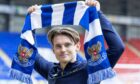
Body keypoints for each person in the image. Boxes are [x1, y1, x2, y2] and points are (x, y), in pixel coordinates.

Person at [28, 0, 125, 84]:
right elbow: (31, 54)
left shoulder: (90, 69)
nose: (63, 49)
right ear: (53, 50)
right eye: (58, 46)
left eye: (67, 45)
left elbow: (117, 48)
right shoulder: (50, 70)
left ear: (77, 46)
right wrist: (31, 23)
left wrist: (98, 14)